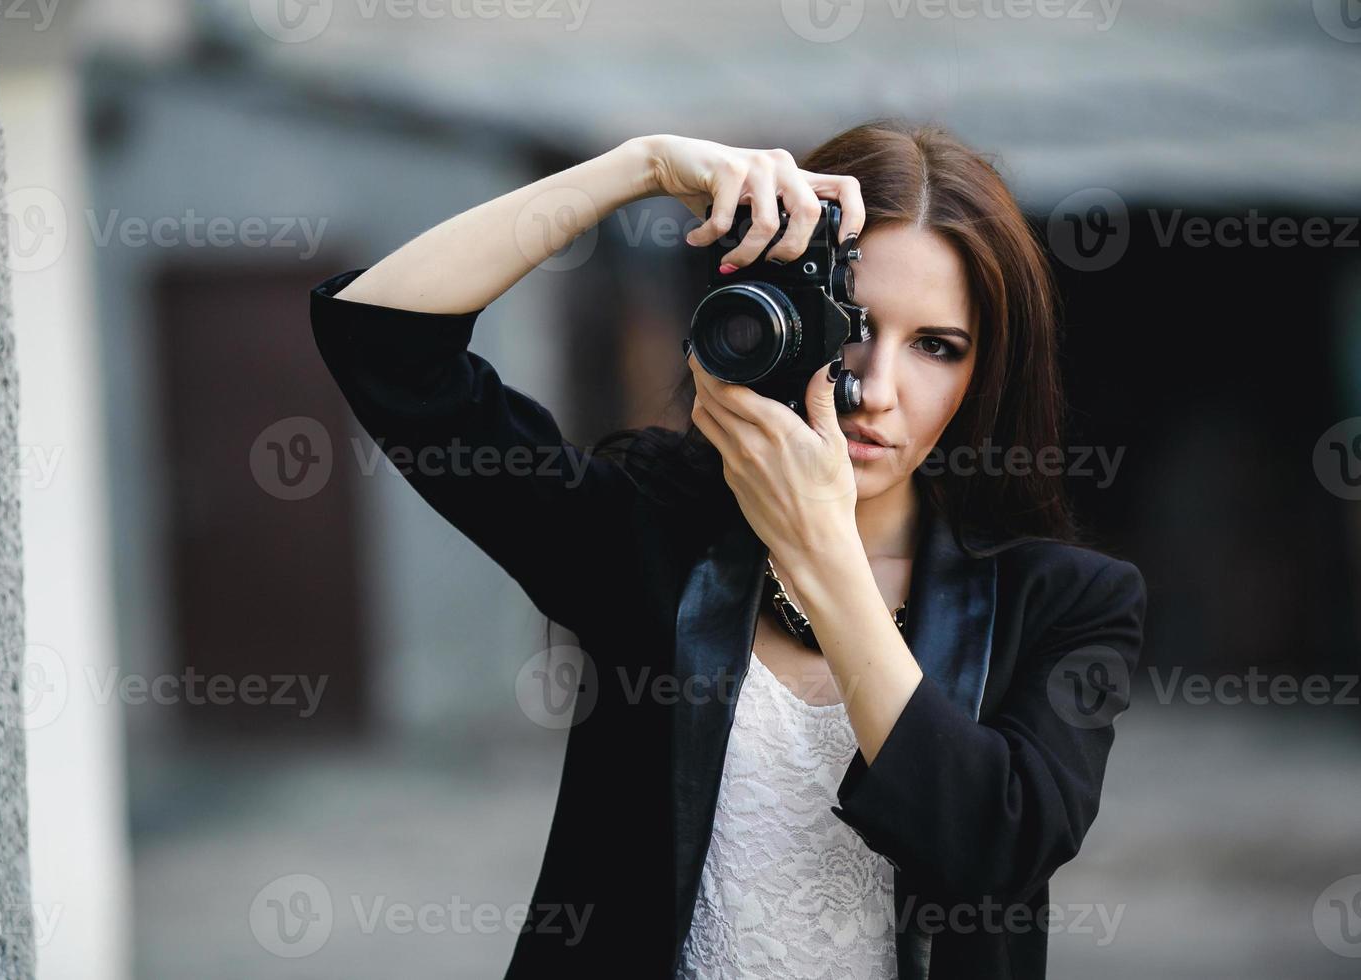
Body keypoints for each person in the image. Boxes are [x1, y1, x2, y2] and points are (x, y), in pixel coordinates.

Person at [308, 123, 1148, 980]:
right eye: (853, 325)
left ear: (984, 377)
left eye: (937, 347)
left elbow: (991, 852)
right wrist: (639, 167)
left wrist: (821, 547)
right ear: (777, 318)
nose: (877, 390)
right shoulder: (651, 530)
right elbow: (381, 341)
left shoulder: (1069, 602)